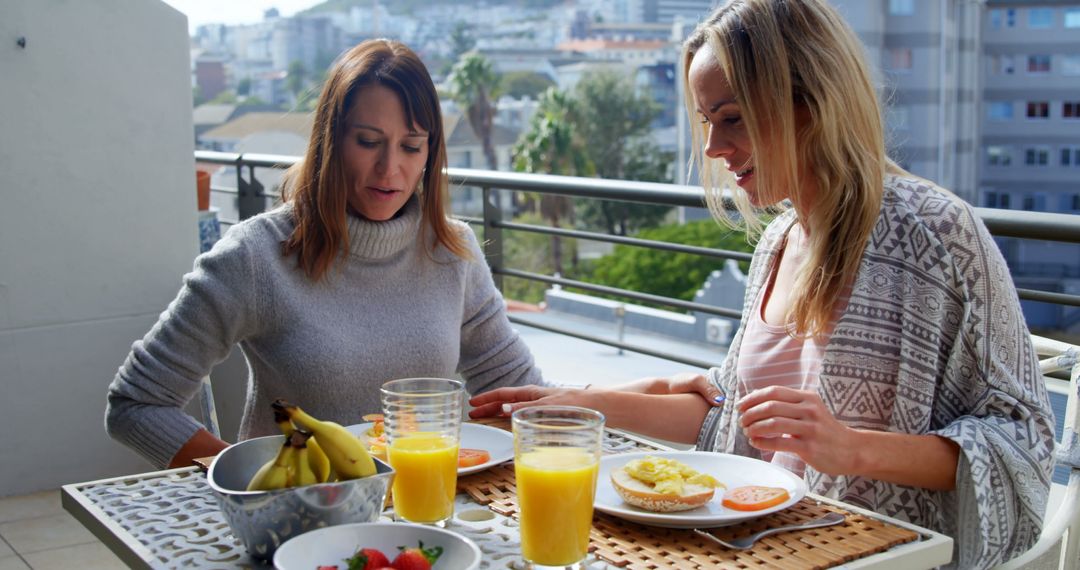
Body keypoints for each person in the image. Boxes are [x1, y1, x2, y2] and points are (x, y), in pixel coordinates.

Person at [469, 1, 1056, 567]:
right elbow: (730, 415)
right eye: (706, 121)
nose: (712, 148)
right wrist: (578, 404)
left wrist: (850, 448)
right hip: (754, 549)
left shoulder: (936, 235)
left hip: (878, 557)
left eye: (733, 118)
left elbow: (1023, 442)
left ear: (812, 103)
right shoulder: (778, 243)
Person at [105, 39, 549, 470]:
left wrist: (602, 407)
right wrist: (248, 477)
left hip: (428, 512)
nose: (390, 168)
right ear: (330, 140)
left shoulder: (453, 252)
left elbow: (522, 396)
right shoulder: (255, 257)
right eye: (368, 141)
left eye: (411, 146)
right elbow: (136, 403)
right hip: (295, 524)